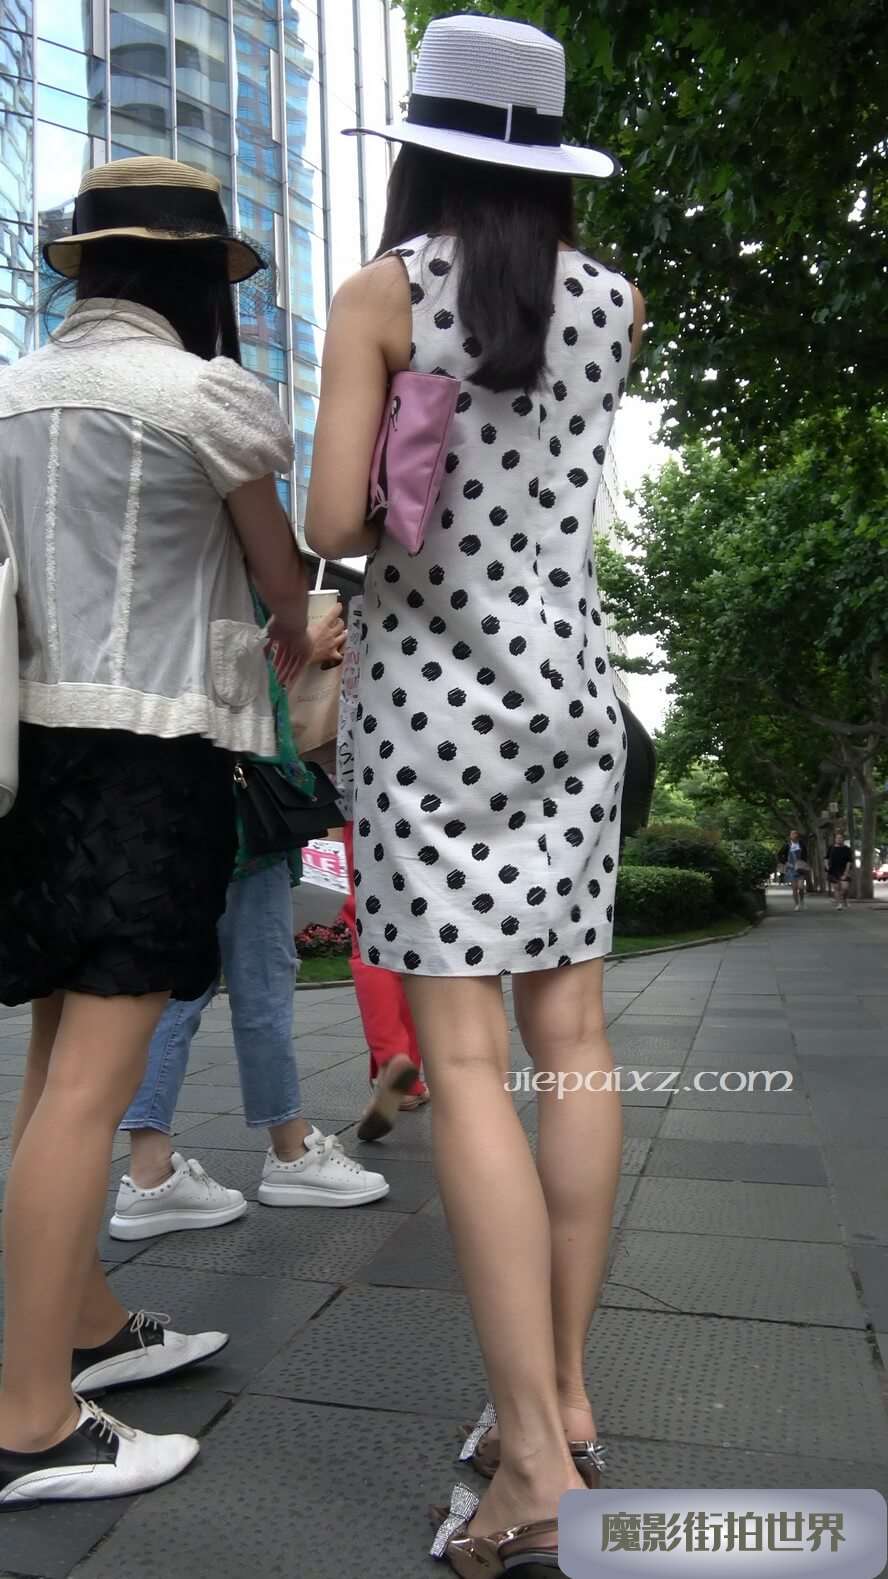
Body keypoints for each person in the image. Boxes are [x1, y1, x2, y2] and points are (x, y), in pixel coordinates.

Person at [306, 16, 644, 1571]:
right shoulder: (614, 300)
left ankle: (533, 1470)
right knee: (575, 1043)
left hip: (430, 709)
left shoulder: (383, 293)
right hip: (572, 697)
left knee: (465, 1059)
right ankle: (564, 1393)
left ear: (423, 149)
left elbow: (335, 517)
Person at [0, 156, 311, 1505]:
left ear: (90, 266)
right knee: (89, 1083)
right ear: (195, 275)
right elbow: (286, 587)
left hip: (26, 754)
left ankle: (82, 1323)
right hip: (150, 754)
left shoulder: (9, 388)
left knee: (53, 1059)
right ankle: (28, 1418)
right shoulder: (206, 395)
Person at [111, 601, 389, 1237]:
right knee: (261, 988)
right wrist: (299, 648)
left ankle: (150, 1171)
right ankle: (290, 1153)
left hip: (167, 813)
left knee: (172, 994)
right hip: (235, 820)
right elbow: (228, 691)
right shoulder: (222, 575)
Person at [336, 595, 429, 1141]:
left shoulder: (367, 608)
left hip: (367, 786)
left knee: (367, 927)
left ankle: (394, 1059)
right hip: (441, 781)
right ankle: (408, 1072)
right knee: (418, 927)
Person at [779, 830, 810, 911]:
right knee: (794, 888)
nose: (794, 835)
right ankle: (796, 904)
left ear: (797, 835)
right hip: (791, 869)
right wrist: (786, 863)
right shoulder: (787, 845)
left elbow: (806, 855)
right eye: (792, 834)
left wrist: (804, 863)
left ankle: (802, 901)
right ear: (790, 836)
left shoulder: (801, 844)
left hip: (800, 868)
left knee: (801, 887)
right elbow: (779, 855)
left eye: (795, 834)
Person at [826, 833, 853, 910]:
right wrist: (827, 866)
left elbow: (849, 861)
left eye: (840, 838)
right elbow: (826, 858)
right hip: (833, 871)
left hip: (844, 870)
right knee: (836, 888)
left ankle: (845, 899)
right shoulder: (831, 848)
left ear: (843, 839)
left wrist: (846, 873)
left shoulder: (847, 849)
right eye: (837, 838)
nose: (839, 839)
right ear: (835, 839)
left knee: (845, 888)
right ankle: (839, 904)